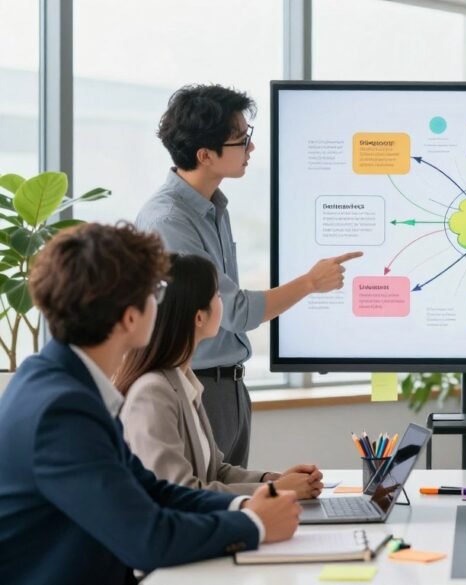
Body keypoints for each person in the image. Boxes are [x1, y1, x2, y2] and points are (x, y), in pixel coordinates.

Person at [0, 223, 301, 585]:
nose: (161, 303)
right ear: (130, 317)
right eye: (155, 293)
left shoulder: (61, 381)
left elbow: (152, 490)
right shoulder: (62, 410)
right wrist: (255, 525)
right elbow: (148, 539)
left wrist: (245, 506)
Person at [136, 84, 363, 466]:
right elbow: (235, 311)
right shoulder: (170, 221)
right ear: (205, 155)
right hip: (200, 387)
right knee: (209, 507)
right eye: (240, 140)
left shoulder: (212, 208)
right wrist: (310, 283)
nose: (251, 149)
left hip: (229, 387)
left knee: (233, 500)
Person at [117, 254, 325, 498]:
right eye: (216, 296)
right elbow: (180, 492)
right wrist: (275, 491)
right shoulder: (152, 393)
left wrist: (272, 479)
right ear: (199, 317)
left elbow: (216, 471)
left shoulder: (183, 382)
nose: (222, 303)